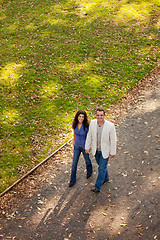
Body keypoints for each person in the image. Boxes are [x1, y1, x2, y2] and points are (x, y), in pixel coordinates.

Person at [85, 108, 116, 193]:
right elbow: (89, 136)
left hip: (105, 151)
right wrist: (87, 147)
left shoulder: (110, 126)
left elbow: (113, 140)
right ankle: (106, 177)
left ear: (104, 115)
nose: (99, 117)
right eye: (98, 115)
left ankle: (97, 187)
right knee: (102, 166)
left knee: (101, 168)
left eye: (101, 115)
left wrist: (113, 152)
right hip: (96, 150)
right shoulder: (92, 123)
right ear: (96, 115)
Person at [69, 110, 93, 187]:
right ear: (77, 116)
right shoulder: (74, 124)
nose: (81, 118)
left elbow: (89, 136)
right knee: (74, 163)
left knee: (87, 160)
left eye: (82, 117)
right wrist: (73, 142)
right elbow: (74, 134)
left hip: (84, 146)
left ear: (84, 118)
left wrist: (88, 147)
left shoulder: (86, 126)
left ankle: (89, 172)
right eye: (80, 116)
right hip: (76, 146)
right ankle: (72, 180)